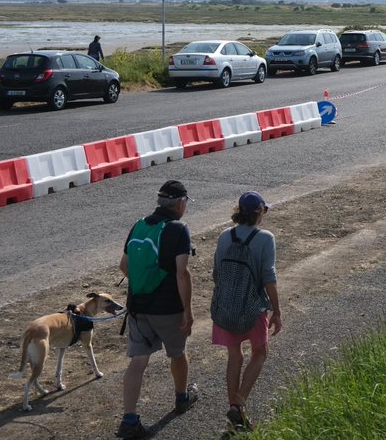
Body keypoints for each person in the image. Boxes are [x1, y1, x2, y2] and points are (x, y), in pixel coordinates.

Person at [117, 180, 198, 439]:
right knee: (177, 354)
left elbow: (124, 265)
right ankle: (182, 397)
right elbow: (182, 273)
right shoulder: (178, 229)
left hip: (138, 307)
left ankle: (129, 420)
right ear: (179, 203)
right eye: (185, 202)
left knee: (138, 362)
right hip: (168, 309)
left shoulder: (139, 225)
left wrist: (143, 284)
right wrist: (187, 309)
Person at [211, 191, 282, 432]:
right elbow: (268, 278)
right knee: (260, 352)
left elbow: (216, 274)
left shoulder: (224, 236)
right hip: (252, 306)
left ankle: (235, 417)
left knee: (234, 356)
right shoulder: (265, 238)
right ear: (259, 213)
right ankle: (239, 404)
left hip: (226, 306)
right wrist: (277, 311)